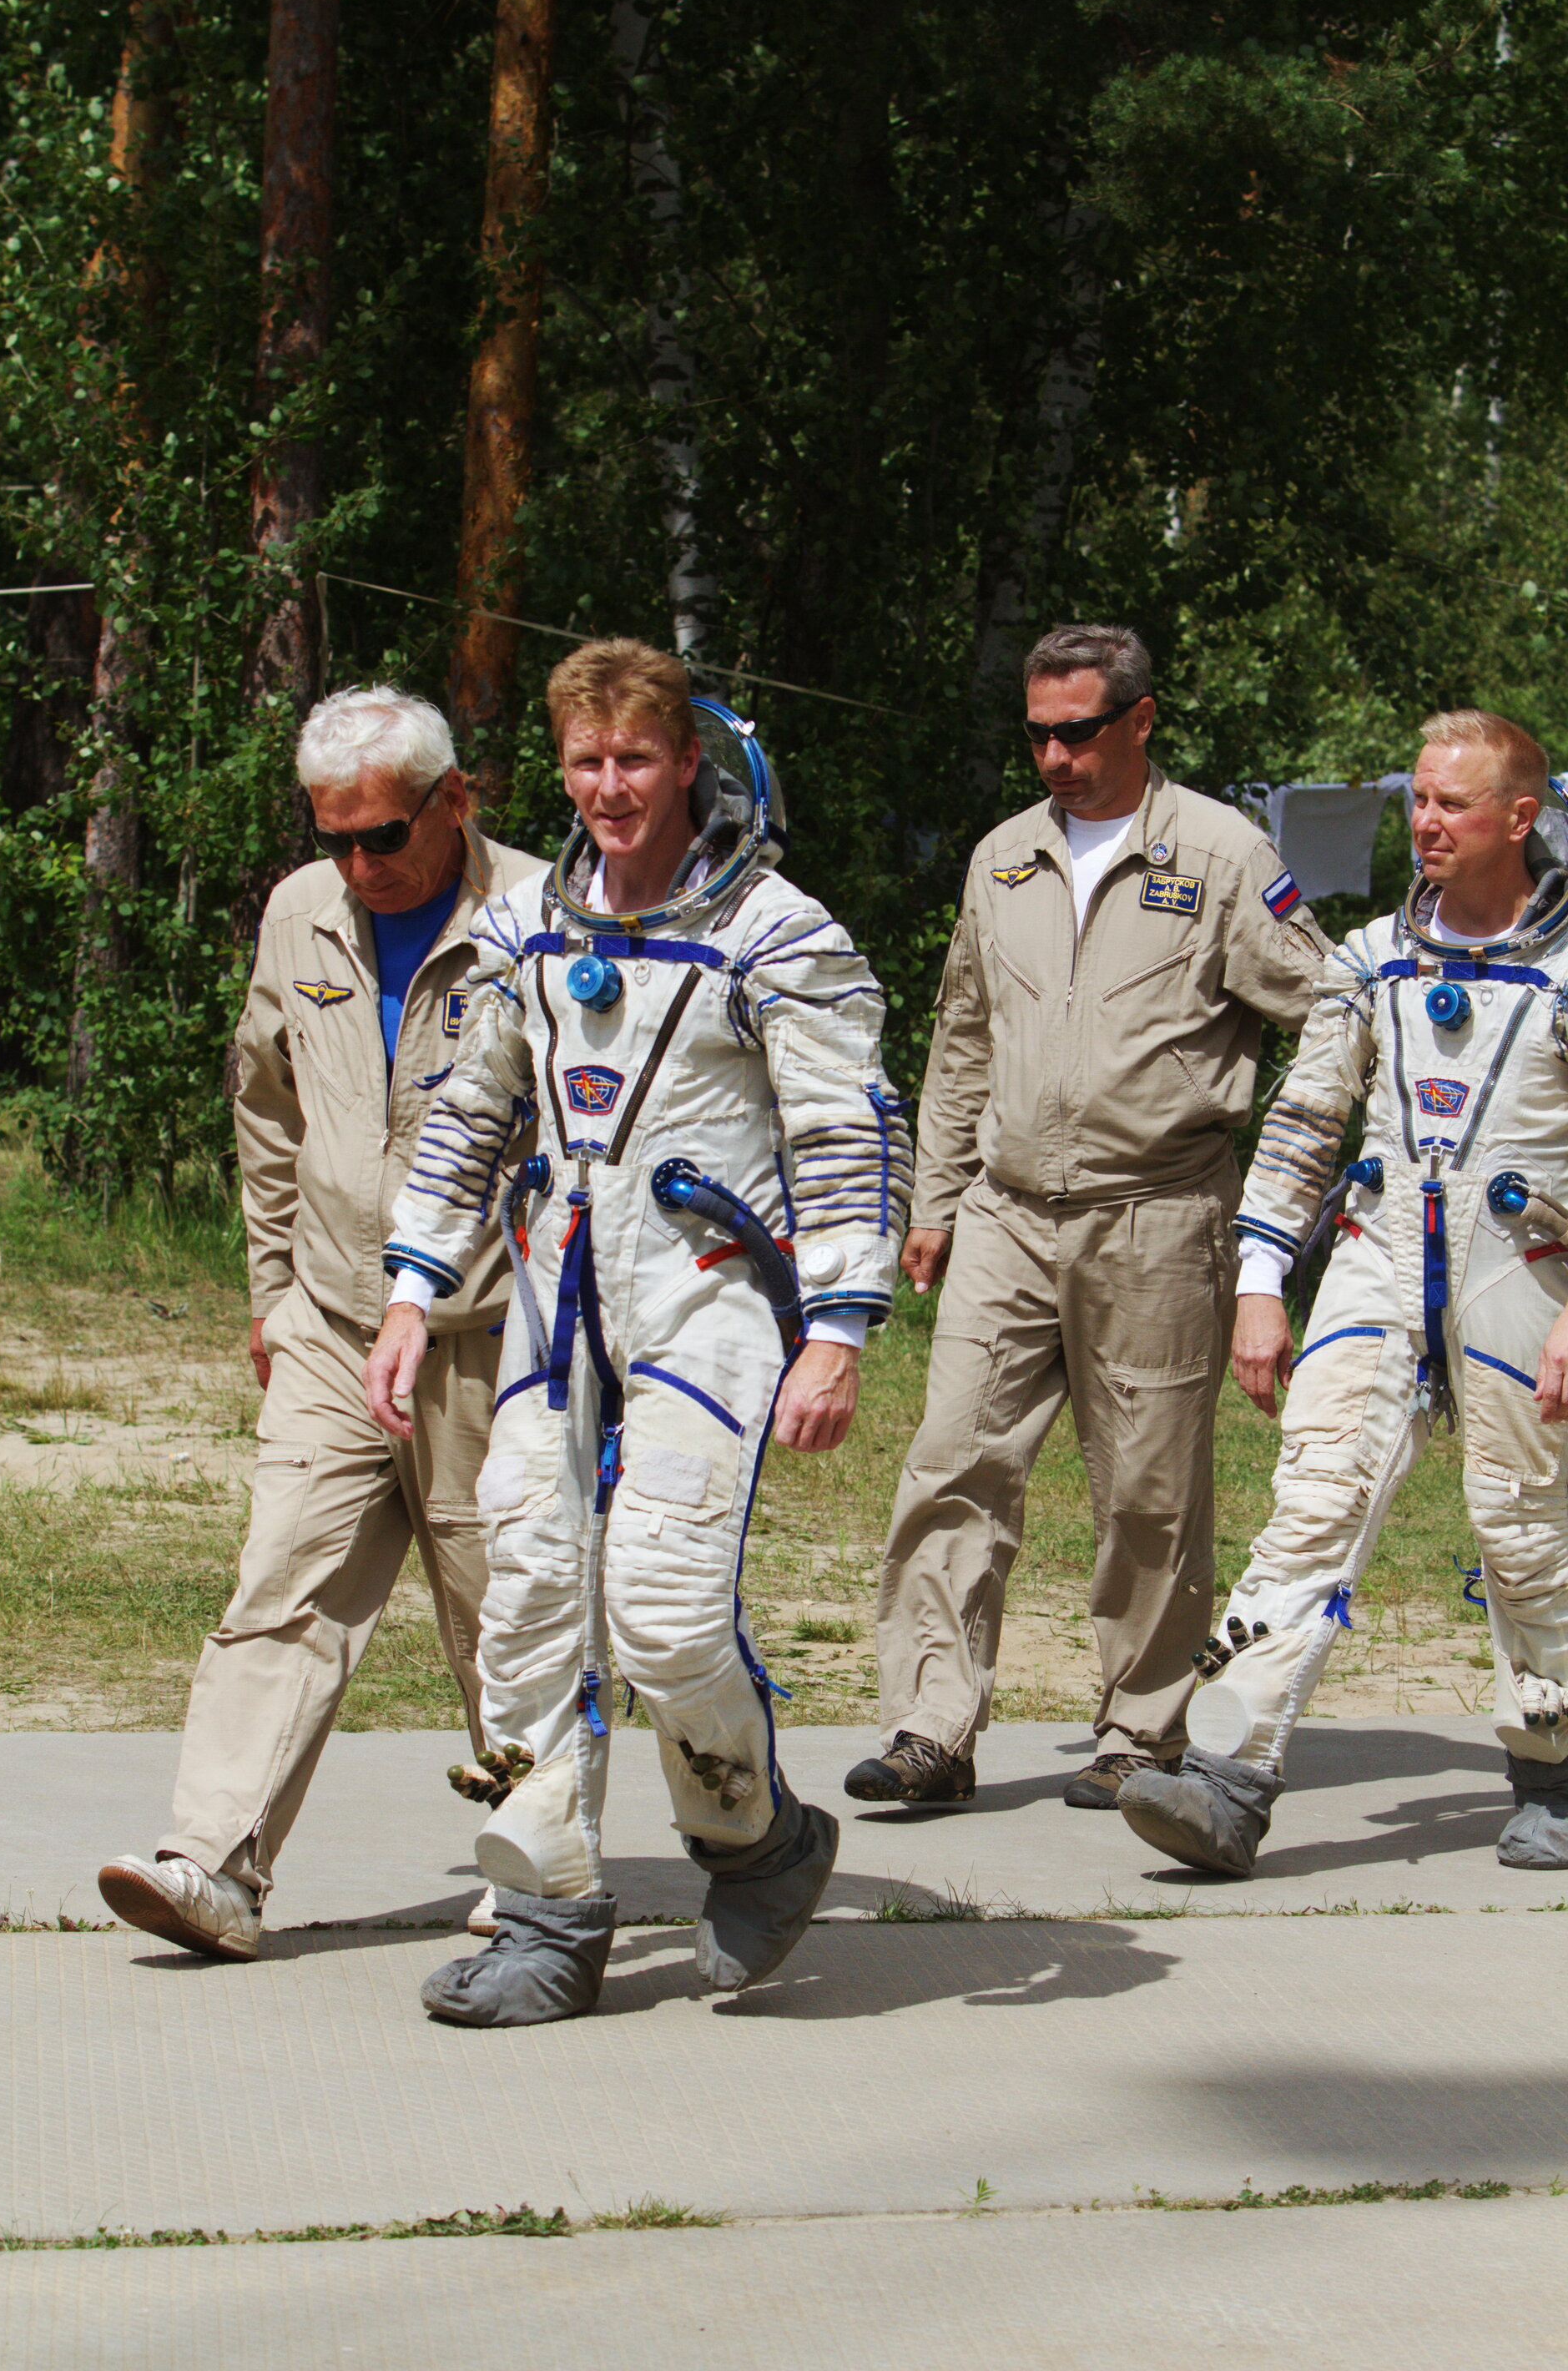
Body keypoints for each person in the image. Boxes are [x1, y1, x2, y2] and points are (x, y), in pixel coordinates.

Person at [366, 638, 911, 2025]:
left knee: (664, 1608)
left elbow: (846, 1132)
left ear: (688, 764)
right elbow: (467, 1117)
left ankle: (754, 1834)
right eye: (586, 763)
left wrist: (839, 1328)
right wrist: (413, 1293)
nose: (610, 788)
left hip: (710, 1296)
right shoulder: (521, 928)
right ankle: (549, 1908)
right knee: (533, 1589)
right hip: (562, 1297)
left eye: (636, 760)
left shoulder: (778, 934)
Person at [846, 622, 1325, 1814]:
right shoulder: (1004, 856)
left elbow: (1331, 1007)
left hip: (1158, 1215)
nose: (1056, 757)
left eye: (1079, 732)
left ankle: (1142, 1733)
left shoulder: (1220, 853)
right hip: (1006, 1215)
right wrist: (936, 1193)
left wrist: (1287, 1177)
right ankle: (931, 1729)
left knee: (1149, 1491)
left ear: (1140, 719)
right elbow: (963, 1033)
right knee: (952, 1461)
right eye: (1038, 735)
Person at [98, 688, 543, 1959]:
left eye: (384, 835)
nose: (359, 863)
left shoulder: (543, 919)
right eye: (333, 834)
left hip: (494, 1333)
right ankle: (214, 1867)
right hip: (335, 1321)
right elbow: (267, 1108)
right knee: (282, 1580)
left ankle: (536, 1869)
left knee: (501, 1610)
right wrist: (272, 1292)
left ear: (456, 802)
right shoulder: (303, 913)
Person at [1121, 710, 1568, 1876]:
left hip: (1530, 1270)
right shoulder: (1371, 960)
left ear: (1520, 818)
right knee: (1315, 1501)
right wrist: (1262, 1282)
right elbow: (1303, 1127)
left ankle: (1554, 1762)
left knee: (1525, 1529)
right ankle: (1223, 1774)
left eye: (1452, 805)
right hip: (1376, 1260)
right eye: (1417, 799)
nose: (1425, 822)